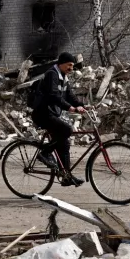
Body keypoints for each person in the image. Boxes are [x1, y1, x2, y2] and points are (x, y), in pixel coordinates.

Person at [31, 52, 86, 187]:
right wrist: (70, 108)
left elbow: (70, 96)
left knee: (65, 144)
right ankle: (44, 153)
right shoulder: (52, 74)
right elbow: (53, 96)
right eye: (69, 65)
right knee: (67, 129)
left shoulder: (64, 77)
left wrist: (83, 106)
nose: (71, 68)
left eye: (72, 65)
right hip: (42, 113)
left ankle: (66, 176)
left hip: (51, 114)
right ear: (61, 64)